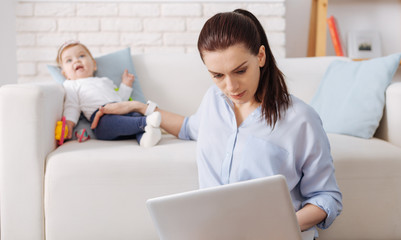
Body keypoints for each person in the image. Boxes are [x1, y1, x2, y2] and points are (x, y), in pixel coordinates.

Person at [91, 9, 342, 234]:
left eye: (240, 70)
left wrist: (274, 227)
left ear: (261, 56)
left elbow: (326, 197)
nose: (230, 86)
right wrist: (140, 107)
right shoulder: (214, 100)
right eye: (218, 75)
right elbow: (189, 127)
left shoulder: (301, 119)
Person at [57, 40, 162, 147]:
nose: (76, 61)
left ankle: (145, 138)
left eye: (81, 56)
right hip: (101, 118)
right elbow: (72, 105)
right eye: (69, 60)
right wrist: (69, 123)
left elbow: (121, 98)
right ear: (65, 74)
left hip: (121, 108)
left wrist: (126, 85)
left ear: (94, 65)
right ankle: (145, 122)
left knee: (135, 115)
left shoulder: (105, 81)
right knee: (109, 124)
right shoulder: (72, 84)